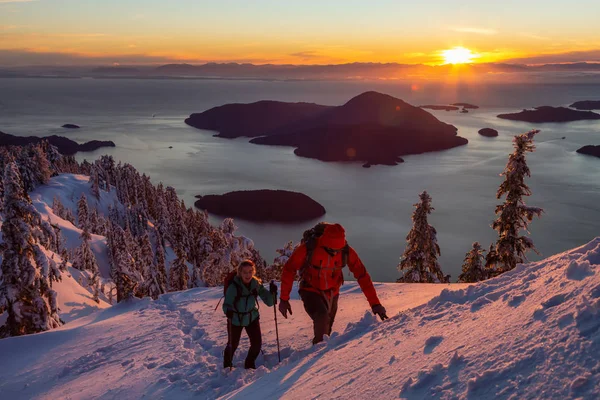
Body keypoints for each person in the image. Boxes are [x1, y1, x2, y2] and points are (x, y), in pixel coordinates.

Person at [278, 223, 388, 344]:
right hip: (310, 289)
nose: (335, 253)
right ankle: (317, 357)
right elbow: (289, 269)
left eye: (338, 250)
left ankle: (323, 355)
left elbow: (362, 276)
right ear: (325, 243)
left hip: (332, 292)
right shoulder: (310, 247)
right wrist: (284, 299)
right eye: (331, 250)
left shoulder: (346, 251)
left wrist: (375, 304)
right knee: (322, 317)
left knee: (327, 330)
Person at [223, 259, 275, 369]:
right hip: (236, 319)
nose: (248, 275)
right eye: (245, 272)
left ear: (254, 272)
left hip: (252, 317)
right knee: (233, 344)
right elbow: (226, 304)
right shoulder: (234, 287)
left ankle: (249, 365)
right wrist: (228, 311)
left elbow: (270, 302)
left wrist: (273, 293)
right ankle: (227, 366)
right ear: (240, 273)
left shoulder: (256, 284)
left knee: (256, 345)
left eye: (250, 271)